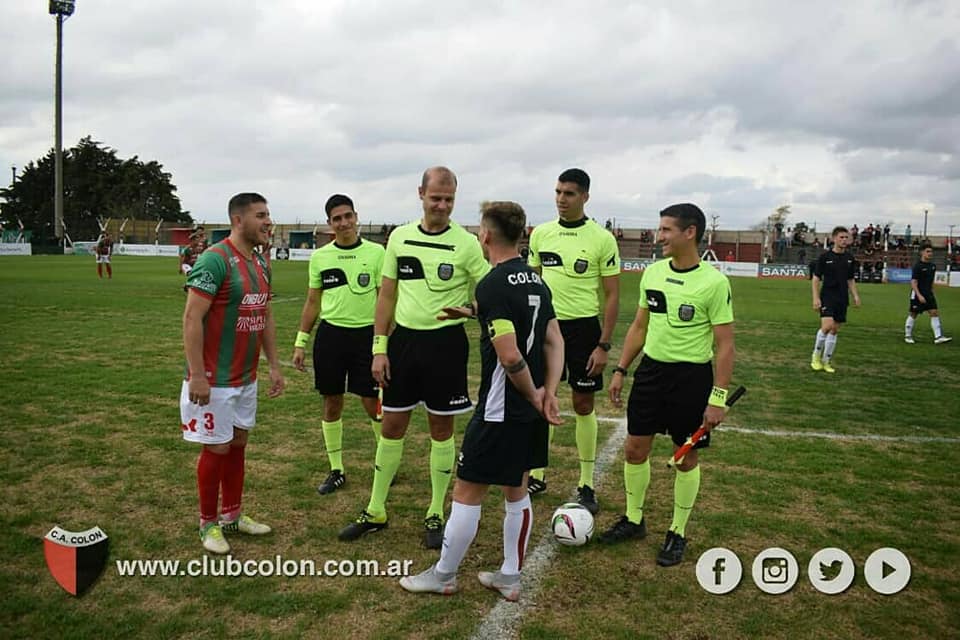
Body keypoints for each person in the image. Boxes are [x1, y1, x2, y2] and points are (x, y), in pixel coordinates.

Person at [399, 201, 564, 599]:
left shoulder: (491, 283)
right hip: (531, 409)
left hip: (499, 408)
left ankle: (443, 575)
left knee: (467, 490)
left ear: (485, 235)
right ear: (521, 234)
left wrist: (529, 391)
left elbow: (509, 356)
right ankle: (510, 575)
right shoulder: (537, 281)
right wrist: (548, 392)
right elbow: (553, 338)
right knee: (517, 489)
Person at [338, 167, 490, 549]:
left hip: (447, 346)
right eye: (435, 197)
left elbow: (491, 291)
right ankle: (376, 509)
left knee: (441, 431)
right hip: (403, 344)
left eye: (449, 200)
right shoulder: (400, 238)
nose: (441, 205)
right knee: (391, 427)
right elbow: (386, 296)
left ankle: (436, 510)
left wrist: (470, 310)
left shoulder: (467, 244)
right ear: (420, 194)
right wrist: (379, 348)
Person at [599, 203, 734, 568]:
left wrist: (717, 399)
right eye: (660, 230)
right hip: (651, 374)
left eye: (666, 231)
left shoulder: (714, 282)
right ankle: (633, 519)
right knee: (634, 448)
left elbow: (725, 345)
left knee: (684, 456)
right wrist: (621, 369)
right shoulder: (653, 273)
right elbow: (640, 326)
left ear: (689, 233)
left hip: (691, 379)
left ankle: (677, 531)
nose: (659, 237)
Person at [180, 193, 284, 554]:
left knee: (239, 443)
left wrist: (273, 365)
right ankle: (208, 524)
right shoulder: (214, 260)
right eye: (261, 215)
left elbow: (265, 315)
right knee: (218, 446)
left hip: (246, 376)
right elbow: (192, 317)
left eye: (268, 214)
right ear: (238, 220)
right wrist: (197, 374)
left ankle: (233, 515)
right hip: (214, 378)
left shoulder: (260, 262)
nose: (268, 221)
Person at [525, 168, 619, 514]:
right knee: (541, 397)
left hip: (583, 331)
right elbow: (532, 285)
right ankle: (536, 472)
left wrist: (604, 345)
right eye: (558, 192)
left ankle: (586, 482)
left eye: (569, 194)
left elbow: (611, 297)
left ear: (585, 197)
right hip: (547, 328)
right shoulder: (541, 234)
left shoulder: (601, 239)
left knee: (583, 405)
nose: (561, 199)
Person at [292, 194, 386, 494]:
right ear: (330, 224)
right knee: (332, 402)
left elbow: (386, 300)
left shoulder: (376, 253)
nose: (344, 222)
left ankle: (385, 464)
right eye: (337, 218)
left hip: (366, 337)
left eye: (348, 216)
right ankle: (336, 470)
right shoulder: (321, 257)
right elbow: (312, 301)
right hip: (331, 337)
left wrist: (383, 343)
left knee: (373, 404)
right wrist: (300, 342)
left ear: (356, 217)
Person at [810, 226, 861, 373]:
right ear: (834, 239)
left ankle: (826, 361)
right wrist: (815, 298)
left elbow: (850, 280)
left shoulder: (850, 259)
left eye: (846, 238)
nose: (844, 240)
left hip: (842, 297)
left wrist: (855, 295)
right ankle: (815, 356)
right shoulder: (825, 258)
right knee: (827, 326)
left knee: (834, 330)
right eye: (841, 237)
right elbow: (816, 278)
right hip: (827, 296)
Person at [905, 243, 952, 344]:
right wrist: (919, 295)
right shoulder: (918, 266)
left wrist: (932, 292)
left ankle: (938, 337)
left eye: (931, 252)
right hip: (918, 294)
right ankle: (908, 336)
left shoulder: (932, 266)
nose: (930, 254)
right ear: (922, 252)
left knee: (934, 313)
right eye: (928, 251)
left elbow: (930, 282)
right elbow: (913, 282)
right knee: (913, 314)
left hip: (928, 294)